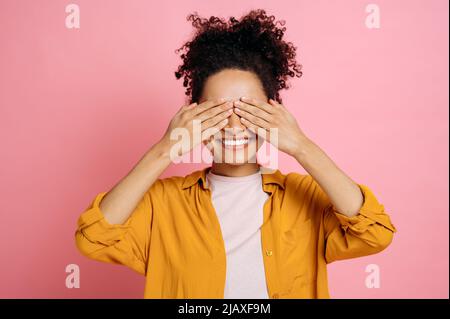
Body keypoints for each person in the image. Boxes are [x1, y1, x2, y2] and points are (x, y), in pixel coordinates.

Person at [75, 9, 397, 299]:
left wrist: (301, 145)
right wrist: (165, 149)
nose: (233, 125)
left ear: (274, 115)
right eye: (218, 111)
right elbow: (94, 237)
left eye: (247, 110)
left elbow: (374, 233)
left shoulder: (305, 197)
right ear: (193, 116)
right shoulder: (163, 204)